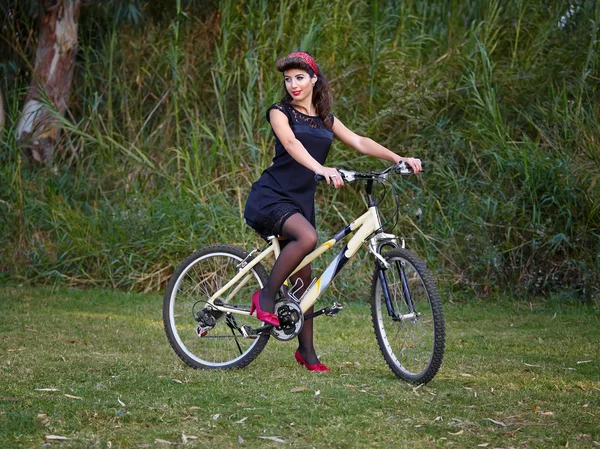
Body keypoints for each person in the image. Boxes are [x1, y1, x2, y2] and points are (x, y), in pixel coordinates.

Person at [244, 51, 422, 372]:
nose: (293, 84)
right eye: (288, 79)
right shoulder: (279, 112)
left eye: (300, 77)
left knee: (305, 281)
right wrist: (320, 168)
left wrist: (399, 159)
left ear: (314, 79)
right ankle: (266, 296)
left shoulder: (325, 119)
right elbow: (291, 143)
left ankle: (307, 354)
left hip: (300, 203)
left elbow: (360, 141)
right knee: (308, 237)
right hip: (271, 197)